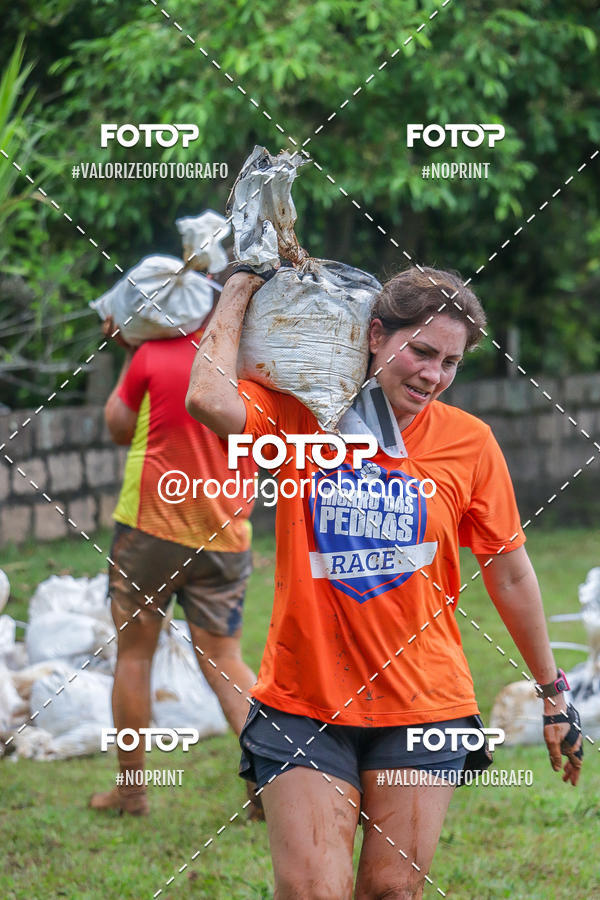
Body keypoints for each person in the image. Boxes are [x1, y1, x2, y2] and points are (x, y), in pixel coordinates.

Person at [186, 266, 583, 898]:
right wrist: (238, 287)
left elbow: (508, 573)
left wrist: (552, 692)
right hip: (304, 699)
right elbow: (207, 398)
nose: (433, 375)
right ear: (375, 333)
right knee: (315, 890)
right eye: (421, 351)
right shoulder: (304, 419)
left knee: (392, 891)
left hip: (426, 704)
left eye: (450, 362)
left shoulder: (469, 443)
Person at [89, 304, 260, 817]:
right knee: (226, 660)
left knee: (136, 655)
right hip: (226, 531)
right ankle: (268, 789)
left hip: (150, 529)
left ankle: (131, 793)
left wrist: (131, 352)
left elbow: (119, 427)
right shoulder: (252, 361)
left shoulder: (154, 352)